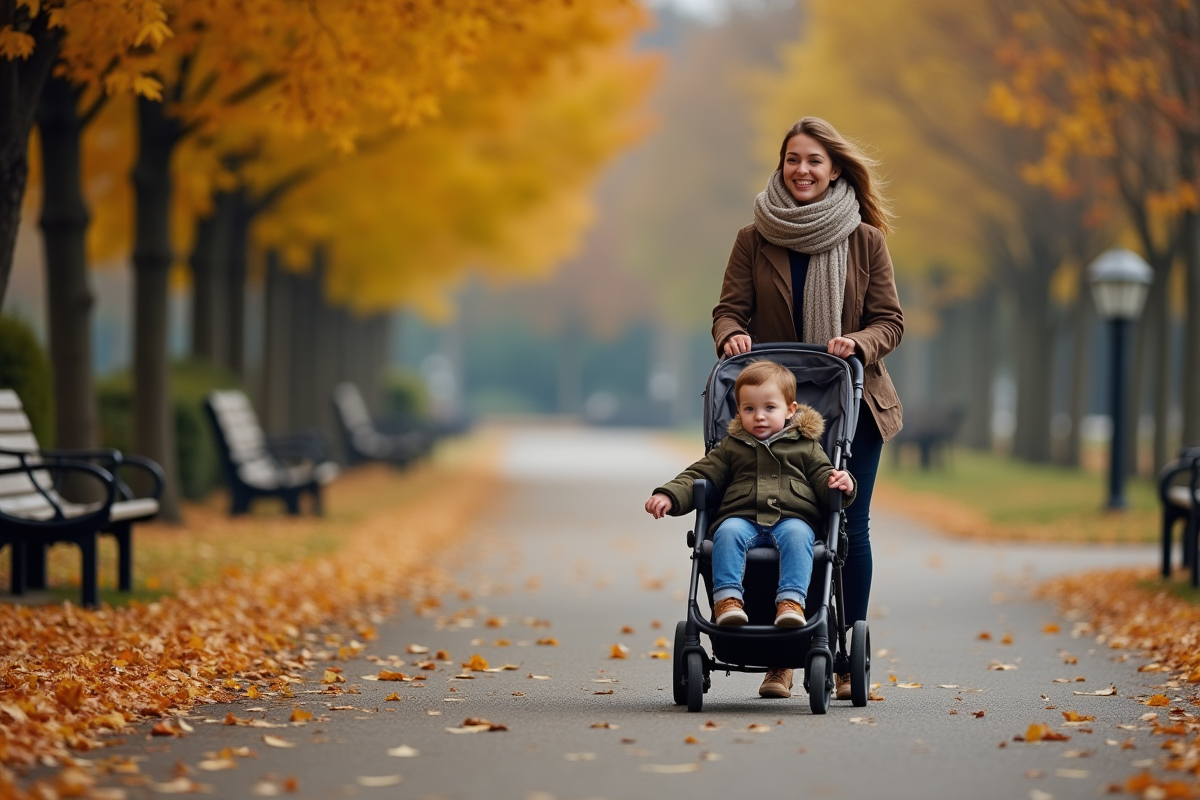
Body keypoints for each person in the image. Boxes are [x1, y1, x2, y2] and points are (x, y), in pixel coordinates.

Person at [711, 116, 903, 701]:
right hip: (772, 406)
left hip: (850, 401)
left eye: (814, 160)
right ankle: (781, 658)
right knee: (771, 519)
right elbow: (728, 309)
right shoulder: (754, 237)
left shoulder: (865, 240)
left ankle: (843, 655)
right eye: (793, 159)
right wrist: (731, 335)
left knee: (848, 525)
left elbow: (890, 322)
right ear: (781, 165)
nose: (802, 170)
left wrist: (858, 343)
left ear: (835, 169)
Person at [645, 360, 856, 699]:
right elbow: (699, 474)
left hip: (792, 518)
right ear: (738, 412)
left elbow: (823, 477)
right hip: (742, 517)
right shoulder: (732, 447)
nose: (759, 416)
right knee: (726, 532)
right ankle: (727, 601)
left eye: (769, 408)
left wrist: (842, 484)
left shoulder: (806, 445)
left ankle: (791, 603)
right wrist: (669, 494)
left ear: (790, 411)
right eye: (749, 409)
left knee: (800, 535)